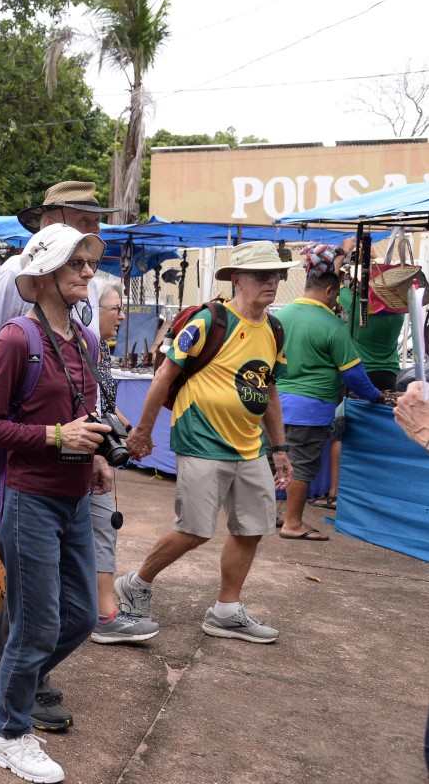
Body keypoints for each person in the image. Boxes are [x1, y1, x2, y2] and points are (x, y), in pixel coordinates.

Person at [0, 181, 118, 733]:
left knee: (79, 617)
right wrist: (55, 438)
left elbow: (85, 403)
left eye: (90, 264)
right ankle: (9, 733)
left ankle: (5, 688)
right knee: (36, 625)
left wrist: (95, 451)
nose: (87, 272)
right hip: (28, 496)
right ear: (47, 271)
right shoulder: (16, 339)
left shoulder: (85, 341)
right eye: (76, 264)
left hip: (75, 497)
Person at [120, 241, 296, 644]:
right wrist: (143, 431)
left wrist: (280, 448)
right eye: (261, 275)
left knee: (252, 527)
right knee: (195, 530)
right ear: (238, 279)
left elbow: (268, 392)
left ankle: (227, 610)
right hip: (201, 438)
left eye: (276, 275)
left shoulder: (274, 329)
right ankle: (136, 581)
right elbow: (164, 375)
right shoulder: (210, 320)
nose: (271, 282)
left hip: (250, 446)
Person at [0, 181, 118, 385]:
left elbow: (89, 370)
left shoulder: (87, 281)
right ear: (48, 226)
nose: (96, 229)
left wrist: (93, 413)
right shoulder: (16, 272)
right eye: (84, 220)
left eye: (98, 221)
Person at [276, 244, 390, 541]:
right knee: (301, 465)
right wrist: (375, 395)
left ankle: (270, 515)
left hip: (274, 406)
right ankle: (293, 523)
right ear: (329, 291)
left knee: (274, 460)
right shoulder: (332, 325)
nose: (338, 300)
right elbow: (353, 374)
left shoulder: (280, 317)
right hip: (310, 409)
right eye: (337, 294)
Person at [87, 281, 161, 645]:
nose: (121, 316)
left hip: (94, 451)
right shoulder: (80, 348)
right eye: (115, 309)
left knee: (99, 526)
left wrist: (131, 433)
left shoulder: (100, 350)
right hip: (76, 451)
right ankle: (104, 616)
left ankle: (104, 612)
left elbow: (105, 404)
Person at [338, 236, 408, 391]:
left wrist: (344, 252)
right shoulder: (398, 308)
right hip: (390, 374)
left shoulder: (354, 304)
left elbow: (333, 282)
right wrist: (375, 256)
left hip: (361, 373)